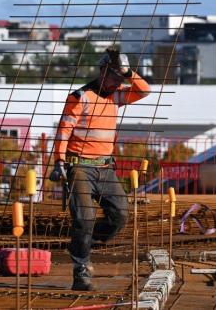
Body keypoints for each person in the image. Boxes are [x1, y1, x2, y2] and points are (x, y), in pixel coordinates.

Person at [49, 47, 150, 291]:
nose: (117, 81)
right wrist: (59, 161)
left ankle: (82, 242)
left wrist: (128, 72)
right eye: (114, 75)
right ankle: (81, 269)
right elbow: (63, 131)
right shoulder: (80, 96)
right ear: (102, 71)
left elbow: (144, 90)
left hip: (105, 168)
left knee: (121, 214)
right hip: (80, 167)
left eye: (120, 77)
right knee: (84, 217)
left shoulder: (117, 96)